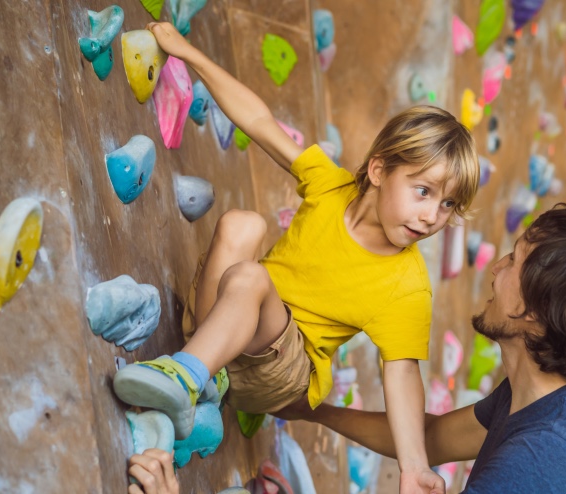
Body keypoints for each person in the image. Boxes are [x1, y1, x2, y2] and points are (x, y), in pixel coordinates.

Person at [112, 22, 480, 494]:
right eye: (424, 191)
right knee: (241, 225)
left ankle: (183, 376)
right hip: (226, 325)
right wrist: (188, 54)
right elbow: (261, 122)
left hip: (280, 373)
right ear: (379, 170)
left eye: (447, 205)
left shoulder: (406, 285)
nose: (432, 216)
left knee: (250, 278)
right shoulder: (331, 187)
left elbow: (404, 373)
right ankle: (200, 371)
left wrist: (413, 466)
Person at [276, 204, 566, 493]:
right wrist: (314, 412)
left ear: (537, 316)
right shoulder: (560, 393)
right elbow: (428, 439)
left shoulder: (540, 460)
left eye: (514, 260)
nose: (496, 267)